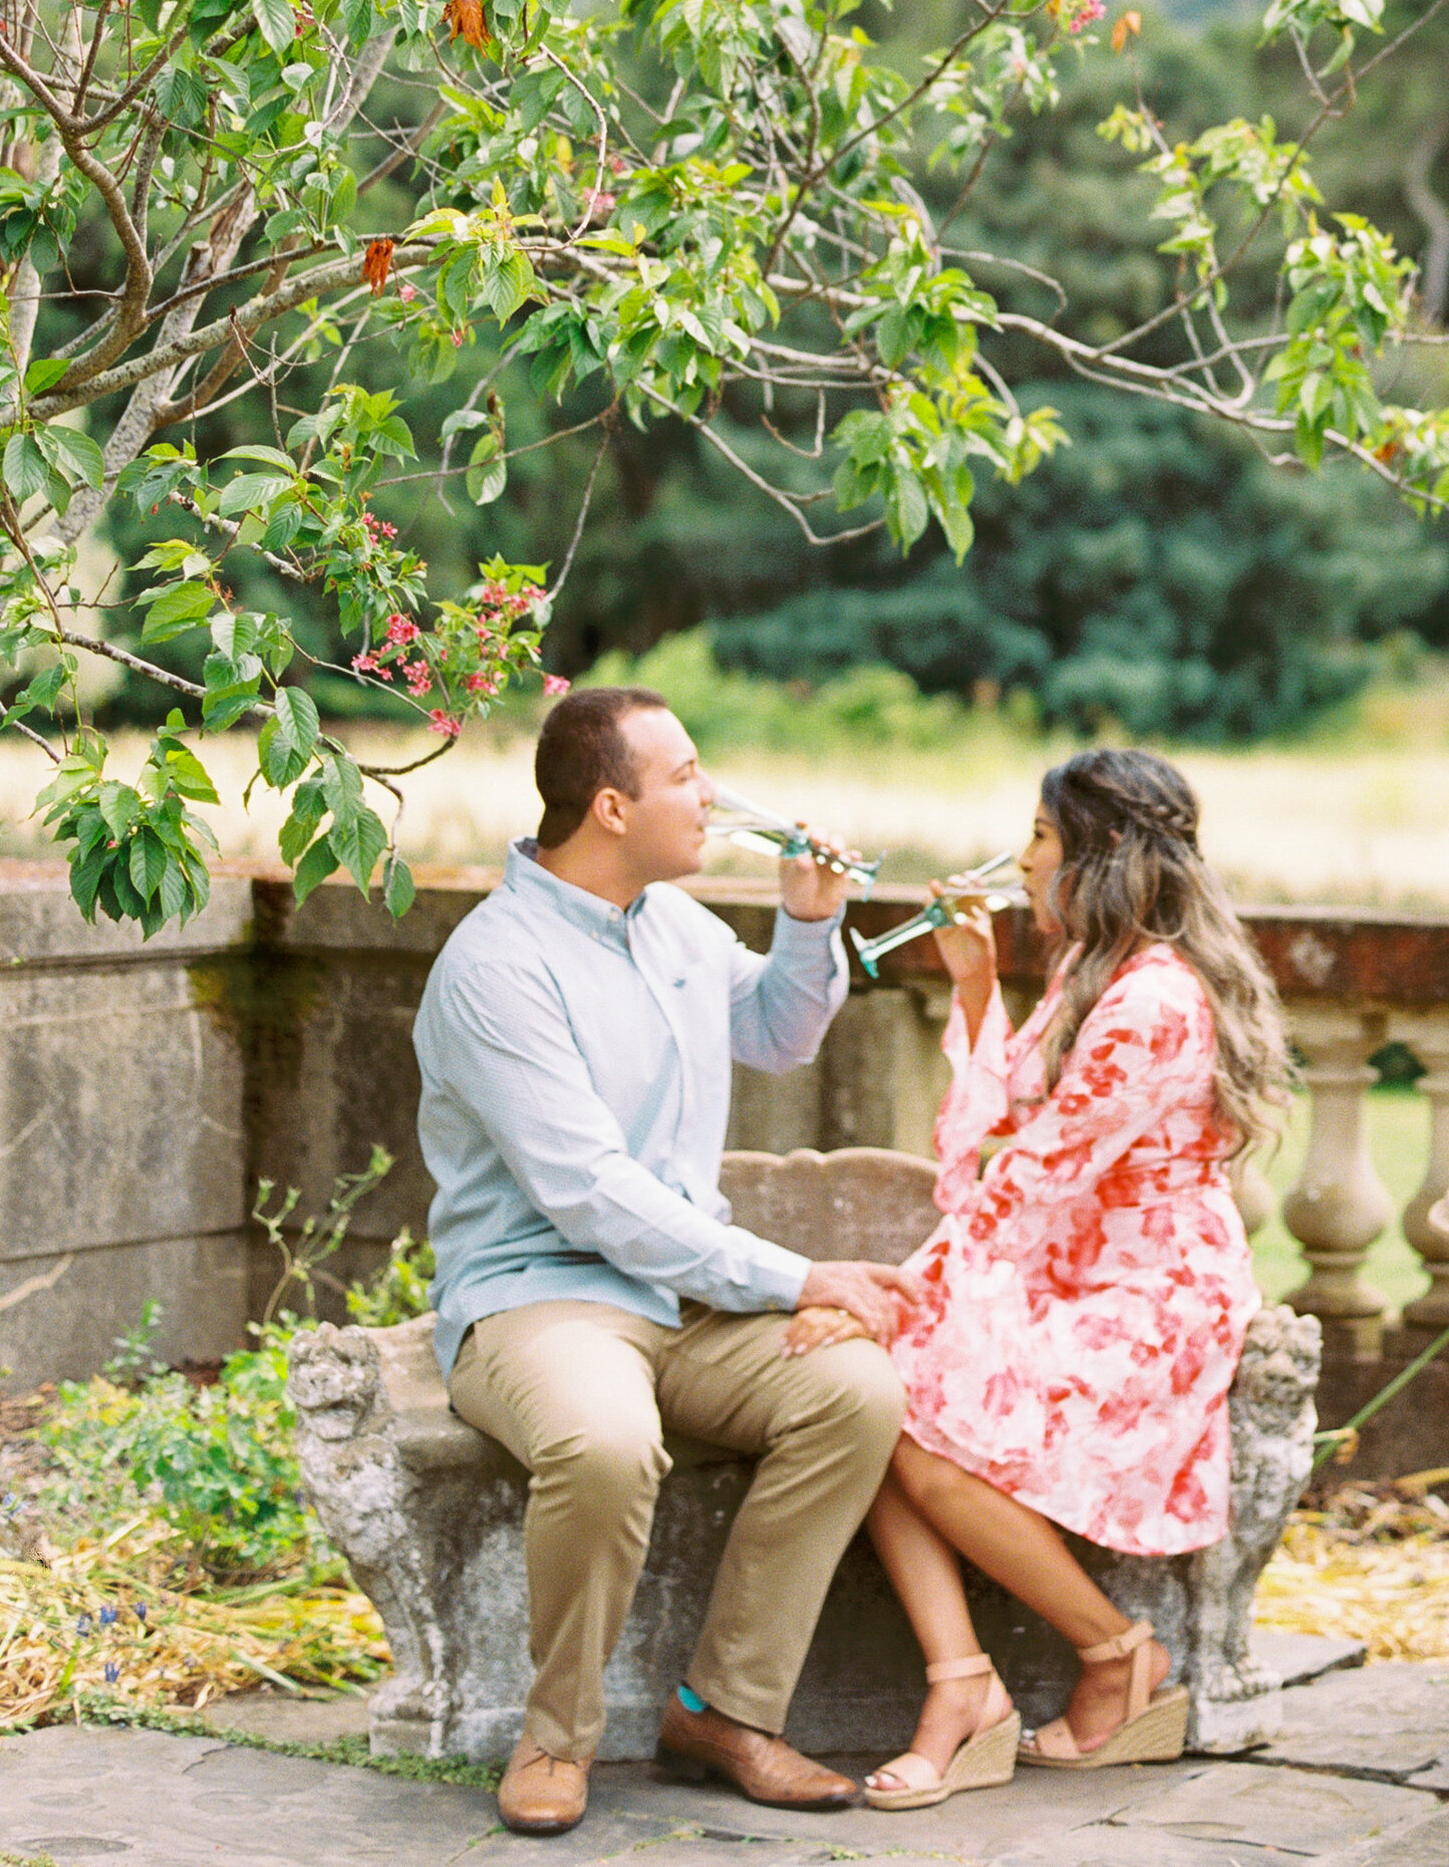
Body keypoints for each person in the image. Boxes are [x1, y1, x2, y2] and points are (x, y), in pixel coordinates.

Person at [414, 682, 916, 1840]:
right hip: (541, 1297)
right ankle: (557, 1735)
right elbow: (593, 1195)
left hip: (678, 1300)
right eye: (685, 774)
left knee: (853, 1392)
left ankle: (724, 1714)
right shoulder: (496, 967)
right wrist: (797, 1275)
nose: (710, 794)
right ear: (608, 807)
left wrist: (806, 918)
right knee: (602, 1440)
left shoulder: (673, 924)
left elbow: (778, 1034)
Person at [779, 745, 1290, 1812]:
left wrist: (885, 1294)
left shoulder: (1153, 1002)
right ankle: (962, 1682)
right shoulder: (1086, 972)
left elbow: (1027, 1183)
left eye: (1040, 838)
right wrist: (974, 985)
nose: (1019, 862)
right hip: (1073, 1264)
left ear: (1096, 854)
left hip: (1153, 1296)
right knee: (867, 1396)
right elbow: (995, 1143)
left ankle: (1114, 1654)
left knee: (901, 1383)